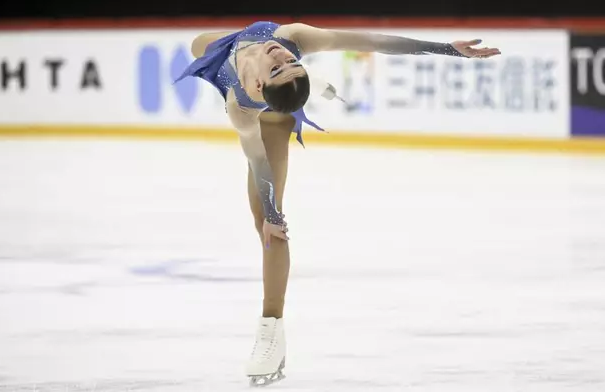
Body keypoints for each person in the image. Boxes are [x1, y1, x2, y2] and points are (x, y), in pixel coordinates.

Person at [174, 21, 500, 387]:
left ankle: (271, 329)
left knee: (270, 227)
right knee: (196, 45)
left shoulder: (266, 73)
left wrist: (272, 214)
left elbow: (373, 41)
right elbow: (256, 159)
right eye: (288, 63)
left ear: (262, 86)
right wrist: (447, 47)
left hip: (277, 116)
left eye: (285, 64)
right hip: (242, 70)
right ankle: (316, 86)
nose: (282, 54)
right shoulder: (266, 71)